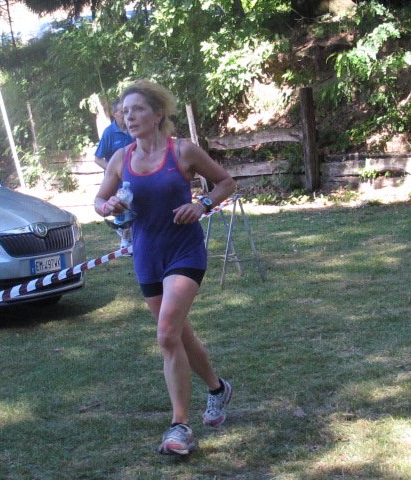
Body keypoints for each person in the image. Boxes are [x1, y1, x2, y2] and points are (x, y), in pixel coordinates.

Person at [94, 79, 236, 456]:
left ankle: (179, 427)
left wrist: (202, 205)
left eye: (138, 109)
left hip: (184, 252)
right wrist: (108, 207)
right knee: (178, 335)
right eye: (125, 112)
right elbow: (100, 200)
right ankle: (218, 388)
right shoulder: (120, 158)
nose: (129, 117)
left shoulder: (182, 151)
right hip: (146, 255)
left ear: (158, 114)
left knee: (166, 334)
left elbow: (226, 182)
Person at [94, 98, 134, 249]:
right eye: (123, 112)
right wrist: (115, 170)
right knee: (121, 212)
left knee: (132, 210)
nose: (126, 115)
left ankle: (126, 241)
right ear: (114, 114)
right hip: (116, 183)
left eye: (128, 111)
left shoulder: (134, 129)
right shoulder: (109, 133)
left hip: (134, 179)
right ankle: (124, 237)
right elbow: (98, 158)